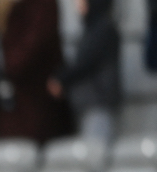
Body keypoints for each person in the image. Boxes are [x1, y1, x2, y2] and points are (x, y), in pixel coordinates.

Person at [0, 0, 73, 143]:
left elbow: (32, 47)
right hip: (22, 106)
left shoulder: (41, 7)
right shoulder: (16, 9)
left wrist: (11, 66)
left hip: (39, 106)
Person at [47, 0, 120, 143]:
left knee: (95, 153)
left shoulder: (102, 29)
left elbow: (85, 63)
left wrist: (61, 79)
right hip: (92, 104)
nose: (77, 4)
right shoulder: (95, 27)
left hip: (98, 104)